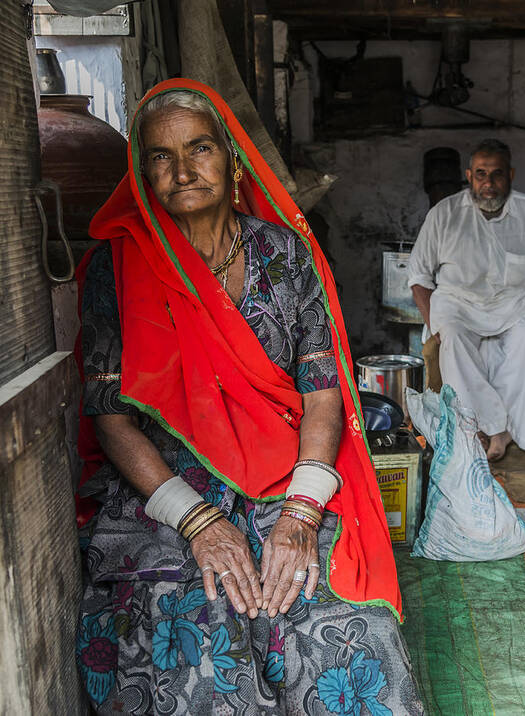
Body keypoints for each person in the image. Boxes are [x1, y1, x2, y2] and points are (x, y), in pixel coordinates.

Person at [75, 78, 423, 715]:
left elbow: (323, 394)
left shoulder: (284, 256)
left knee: (339, 620)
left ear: (231, 160)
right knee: (193, 626)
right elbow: (109, 416)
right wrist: (198, 520)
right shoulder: (116, 268)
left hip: (281, 478)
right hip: (165, 488)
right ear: (140, 169)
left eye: (199, 148)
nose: (182, 170)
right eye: (160, 156)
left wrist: (302, 514)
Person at [408, 138, 525, 461]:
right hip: (458, 303)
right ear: (469, 176)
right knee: (453, 338)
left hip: (517, 303)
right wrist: (435, 324)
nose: (488, 183)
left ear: (510, 175)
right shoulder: (444, 214)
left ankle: (501, 433)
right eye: (481, 174)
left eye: (496, 174)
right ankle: (485, 428)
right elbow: (419, 277)